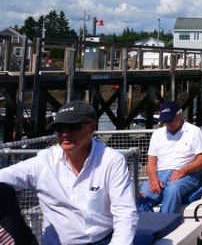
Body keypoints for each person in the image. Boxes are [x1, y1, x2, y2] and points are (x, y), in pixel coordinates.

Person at [0, 100, 138, 245]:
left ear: (92, 128)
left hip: (102, 240)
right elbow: (4, 178)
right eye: (59, 128)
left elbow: (125, 213)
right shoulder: (43, 162)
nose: (65, 133)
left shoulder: (111, 160)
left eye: (74, 126)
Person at [138, 100, 202, 213]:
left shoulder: (194, 131)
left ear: (179, 114)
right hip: (160, 174)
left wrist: (184, 170)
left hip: (187, 174)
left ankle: (165, 224)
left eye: (170, 119)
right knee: (142, 199)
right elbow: (151, 162)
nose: (168, 123)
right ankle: (146, 226)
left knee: (173, 190)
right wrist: (153, 178)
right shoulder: (157, 134)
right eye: (165, 120)